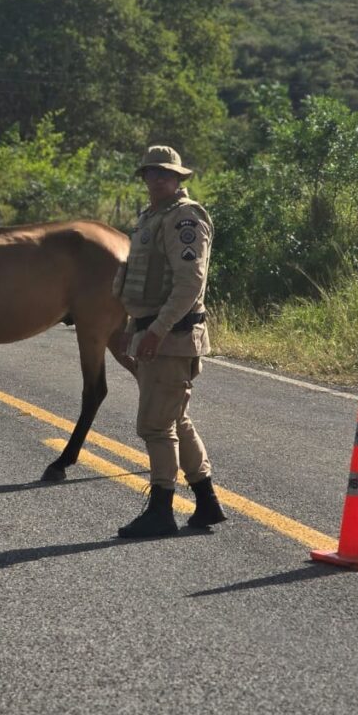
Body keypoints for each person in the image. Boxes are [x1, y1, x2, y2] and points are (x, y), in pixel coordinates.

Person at [112, 144, 226, 537]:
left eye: (166, 173)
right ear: (144, 177)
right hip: (156, 332)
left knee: (155, 426)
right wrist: (134, 327)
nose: (158, 178)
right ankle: (206, 502)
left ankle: (161, 512)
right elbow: (145, 281)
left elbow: (190, 283)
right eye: (152, 172)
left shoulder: (184, 218)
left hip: (172, 337)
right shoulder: (152, 216)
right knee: (174, 419)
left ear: (179, 178)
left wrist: (157, 330)